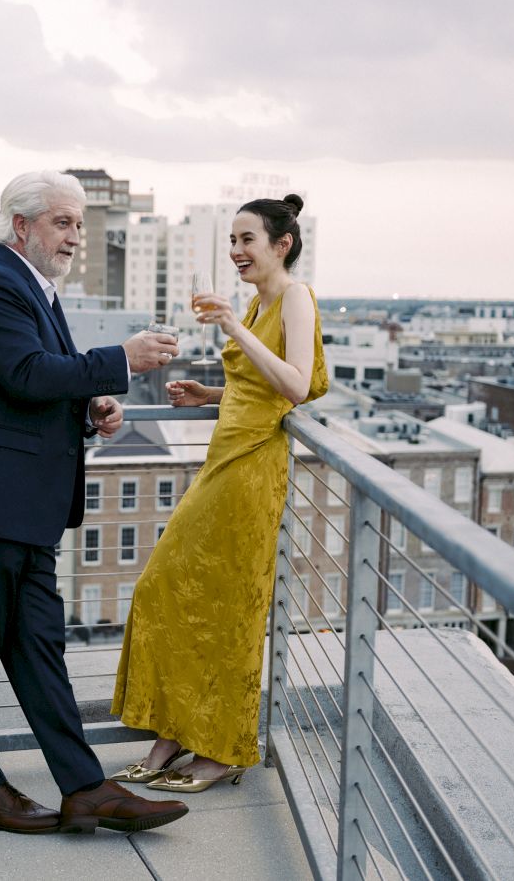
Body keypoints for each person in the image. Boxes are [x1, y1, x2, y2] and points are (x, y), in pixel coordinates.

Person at [0, 170, 189, 835]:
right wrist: (120, 359)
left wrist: (90, 407)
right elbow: (26, 373)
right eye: (62, 222)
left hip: (22, 508)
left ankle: (85, 788)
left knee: (39, 648)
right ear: (21, 226)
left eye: (78, 224)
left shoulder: (36, 289)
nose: (74, 237)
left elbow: (36, 385)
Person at [110, 194, 328, 792]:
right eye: (231, 241)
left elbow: (297, 386)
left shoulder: (295, 298)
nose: (235, 251)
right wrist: (207, 395)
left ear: (282, 244)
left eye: (247, 239)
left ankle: (222, 747)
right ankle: (175, 731)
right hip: (225, 460)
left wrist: (231, 325)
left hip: (254, 470)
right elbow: (256, 386)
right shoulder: (260, 303)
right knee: (167, 591)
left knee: (229, 610)